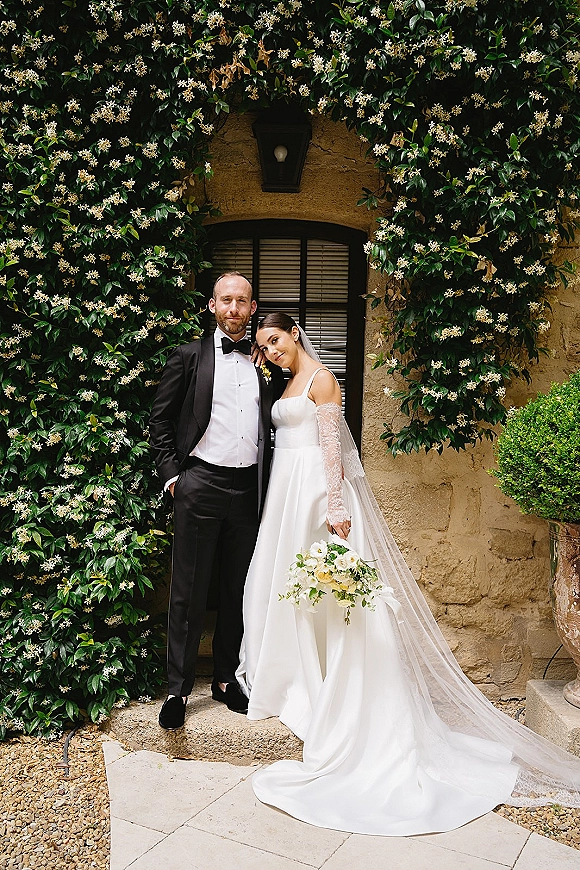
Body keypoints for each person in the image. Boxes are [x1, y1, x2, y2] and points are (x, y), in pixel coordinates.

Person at [237, 312, 580, 836]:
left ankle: (328, 685)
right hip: (285, 492)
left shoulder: (323, 380)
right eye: (264, 346)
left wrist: (334, 501)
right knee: (275, 584)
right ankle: (287, 674)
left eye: (276, 340)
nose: (272, 351)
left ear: (295, 334)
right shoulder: (287, 383)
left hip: (314, 495)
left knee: (325, 596)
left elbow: (333, 446)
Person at [149, 273, 283, 730]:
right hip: (200, 484)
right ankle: (177, 690)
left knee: (237, 589)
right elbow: (160, 421)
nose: (233, 308)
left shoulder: (267, 362)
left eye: (241, 301)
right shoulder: (188, 356)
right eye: (225, 300)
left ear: (252, 308)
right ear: (212, 305)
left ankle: (226, 679)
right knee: (187, 590)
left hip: (248, 490)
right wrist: (173, 479)